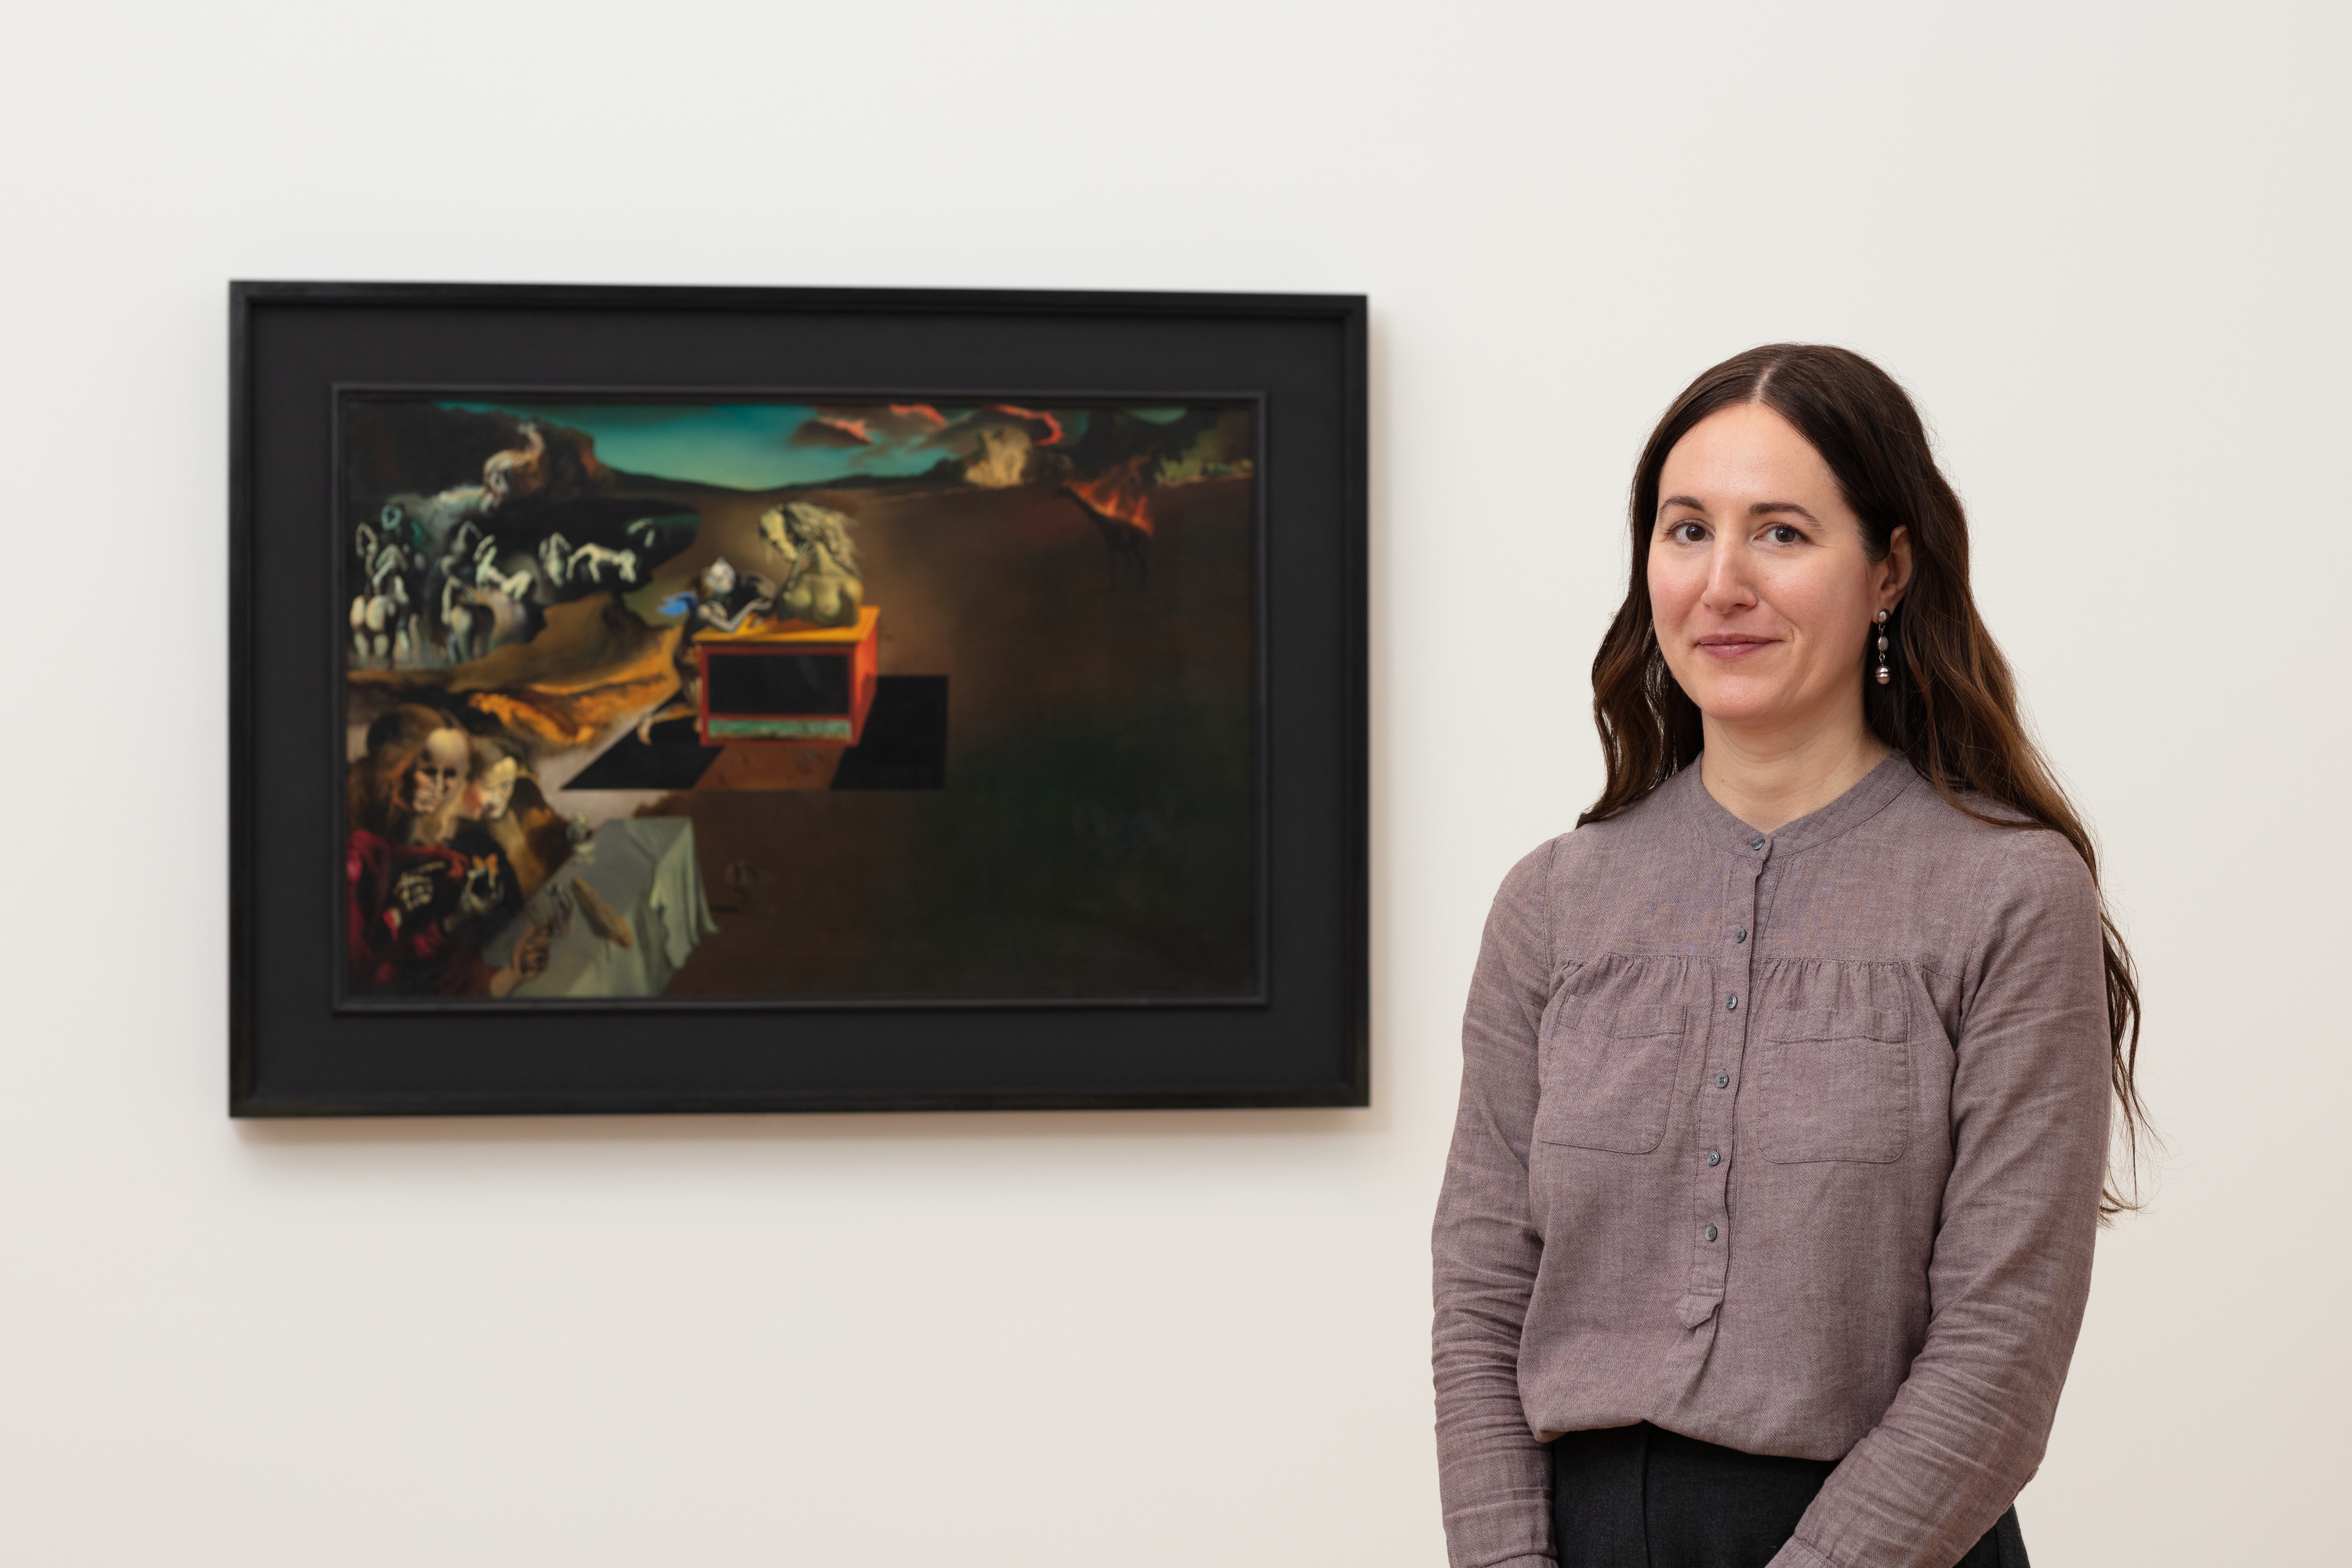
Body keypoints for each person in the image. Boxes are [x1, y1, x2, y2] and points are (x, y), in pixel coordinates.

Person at [1432, 345, 2145, 1568]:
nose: (1721, 583)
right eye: (1686, 529)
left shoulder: (2009, 895)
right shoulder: (1552, 903)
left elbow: (2004, 1339)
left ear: (1890, 570)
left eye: (1780, 534)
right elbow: (1482, 1295)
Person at [346, 705, 548, 997]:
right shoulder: (359, 859)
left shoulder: (447, 863)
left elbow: (458, 984)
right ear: (395, 767)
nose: (440, 787)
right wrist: (395, 918)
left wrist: (514, 972)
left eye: (451, 774)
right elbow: (356, 981)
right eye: (428, 771)